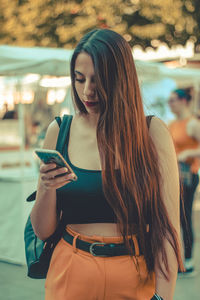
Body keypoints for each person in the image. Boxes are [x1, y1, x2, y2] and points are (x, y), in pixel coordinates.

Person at [31, 29, 183, 300]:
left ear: (121, 79)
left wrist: (163, 296)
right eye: (79, 79)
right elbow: (43, 231)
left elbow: (168, 230)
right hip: (70, 270)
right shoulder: (59, 130)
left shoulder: (151, 133)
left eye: (98, 80)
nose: (87, 90)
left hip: (134, 274)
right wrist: (45, 187)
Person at [168, 89, 200, 277]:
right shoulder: (173, 124)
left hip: (189, 175)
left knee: (185, 217)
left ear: (183, 101)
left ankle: (188, 261)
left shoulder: (193, 124)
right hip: (176, 175)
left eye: (172, 100)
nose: (170, 104)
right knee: (178, 217)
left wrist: (189, 153)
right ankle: (182, 258)